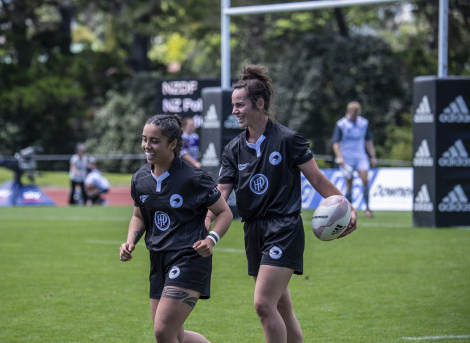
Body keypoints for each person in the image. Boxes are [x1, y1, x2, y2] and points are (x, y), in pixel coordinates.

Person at [206, 64, 357, 343]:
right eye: (233, 106)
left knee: (263, 304)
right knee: (281, 308)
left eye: (240, 105)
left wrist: (346, 207)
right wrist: (205, 220)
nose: (235, 111)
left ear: (260, 104)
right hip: (253, 231)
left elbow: (318, 180)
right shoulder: (233, 149)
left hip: (284, 229)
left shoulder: (288, 140)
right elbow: (221, 192)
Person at [119, 114, 233, 343]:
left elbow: (225, 212)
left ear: (172, 144)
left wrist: (211, 239)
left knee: (163, 332)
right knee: (175, 334)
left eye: (154, 140)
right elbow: (138, 216)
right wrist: (130, 240)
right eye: (144, 139)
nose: (146, 146)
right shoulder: (140, 178)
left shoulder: (194, 178)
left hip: (188, 258)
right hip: (158, 260)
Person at [331, 101, 377, 218]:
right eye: (353, 114)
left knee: (365, 180)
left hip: (361, 155)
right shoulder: (341, 124)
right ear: (348, 112)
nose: (354, 117)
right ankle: (349, 209)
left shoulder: (363, 123)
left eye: (356, 115)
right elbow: (335, 143)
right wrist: (340, 157)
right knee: (349, 183)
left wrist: (373, 155)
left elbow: (368, 140)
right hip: (347, 157)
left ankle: (367, 208)